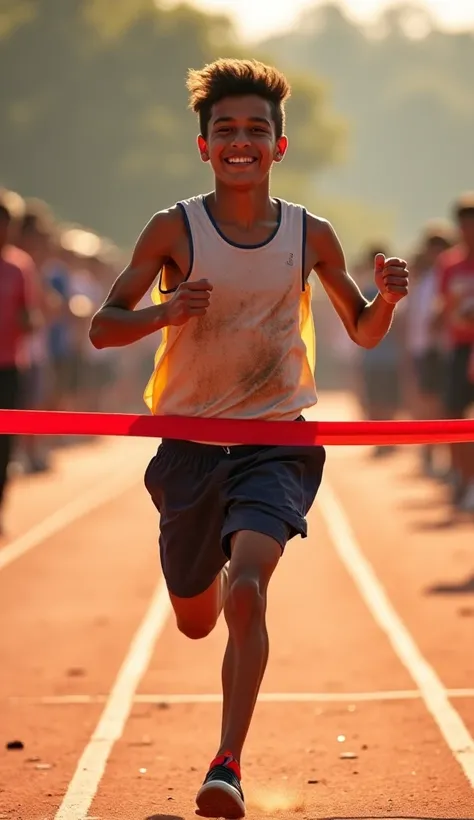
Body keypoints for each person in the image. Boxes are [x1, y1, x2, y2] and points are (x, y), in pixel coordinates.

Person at [89, 59, 409, 819]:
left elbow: (362, 331)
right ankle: (209, 579)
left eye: (256, 130)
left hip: (277, 443)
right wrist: (164, 314)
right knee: (197, 615)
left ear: (279, 145)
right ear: (204, 146)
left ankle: (226, 763)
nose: (241, 142)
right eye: (226, 130)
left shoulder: (310, 233)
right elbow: (104, 326)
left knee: (251, 588)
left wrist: (388, 300)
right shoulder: (175, 228)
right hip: (190, 449)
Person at [435, 193, 474, 512]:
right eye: (464, 226)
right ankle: (464, 477)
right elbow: (445, 307)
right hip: (459, 348)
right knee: (454, 416)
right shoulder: (449, 265)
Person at [0, 202, 32, 535]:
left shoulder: (19, 267)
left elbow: (30, 314)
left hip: (8, 366)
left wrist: (27, 320)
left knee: (3, 444)